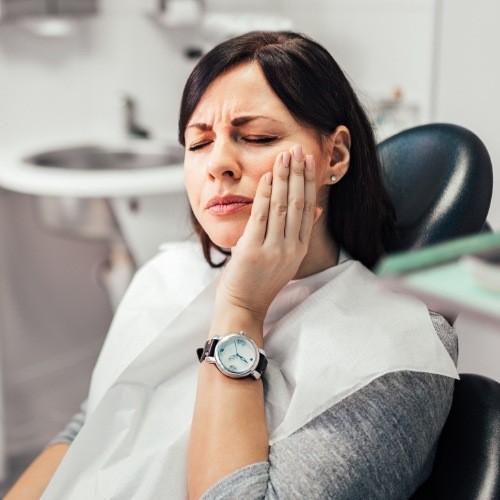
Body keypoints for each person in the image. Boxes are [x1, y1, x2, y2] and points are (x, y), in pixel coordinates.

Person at [6, 31, 458, 500]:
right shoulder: (167, 278)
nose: (218, 163)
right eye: (198, 144)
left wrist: (241, 308)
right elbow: (90, 431)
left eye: (257, 137)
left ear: (335, 156)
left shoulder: (396, 354)